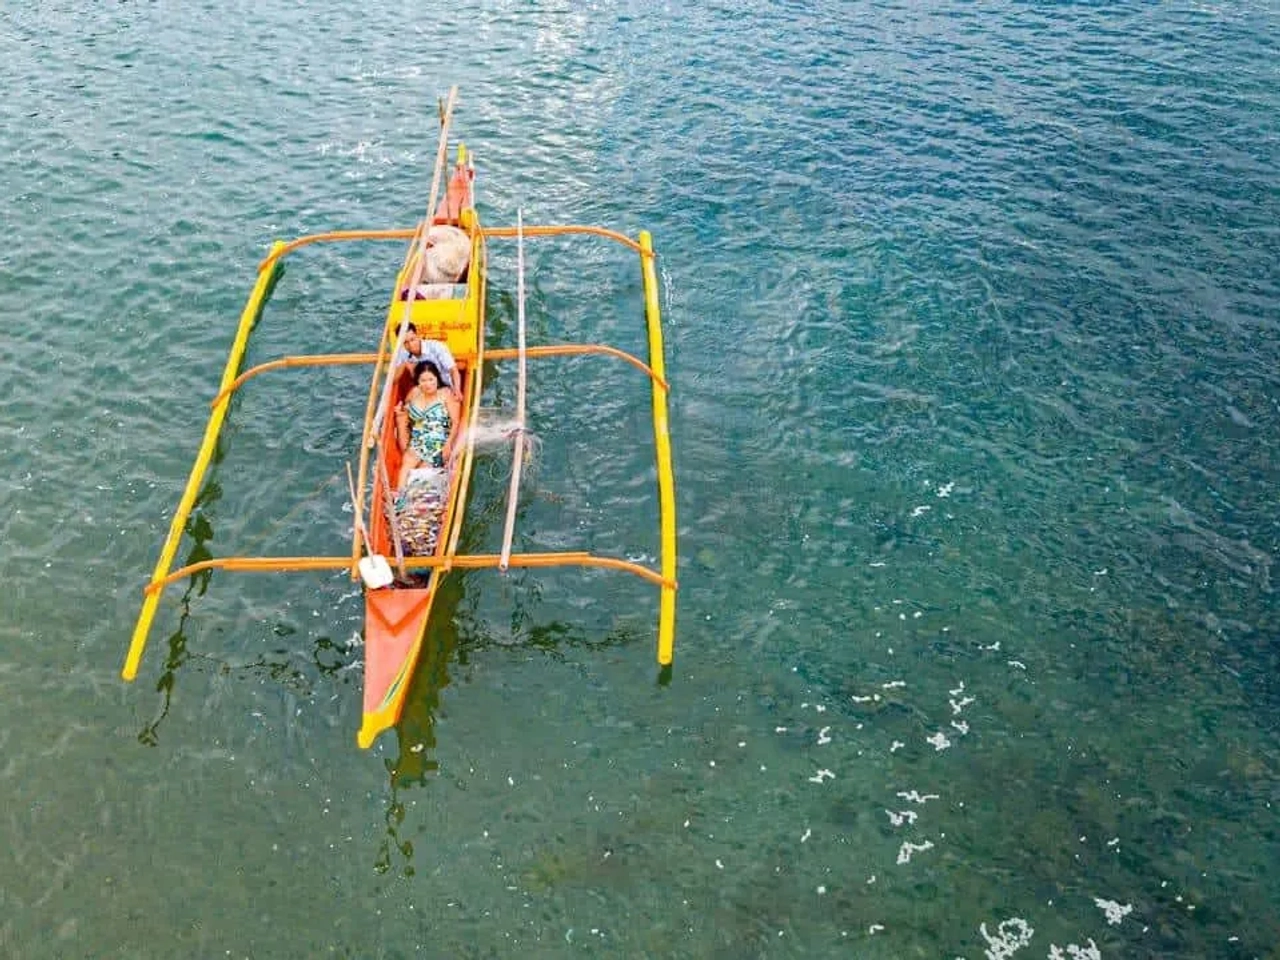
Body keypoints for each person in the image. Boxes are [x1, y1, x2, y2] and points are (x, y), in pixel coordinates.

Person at [395, 360, 461, 488]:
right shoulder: (414, 393)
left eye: (431, 379)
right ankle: (399, 499)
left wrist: (448, 444)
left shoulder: (446, 394)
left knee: (423, 475)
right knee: (406, 466)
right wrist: (401, 412)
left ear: (437, 378)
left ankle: (419, 502)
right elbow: (405, 408)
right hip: (417, 441)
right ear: (418, 382)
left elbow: (456, 422)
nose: (428, 384)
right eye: (423, 380)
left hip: (437, 443)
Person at [393, 323, 461, 401]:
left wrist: (457, 389)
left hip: (444, 386)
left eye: (412, 339)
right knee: (408, 401)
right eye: (405, 342)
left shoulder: (437, 347)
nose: (411, 345)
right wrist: (404, 364)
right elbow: (394, 379)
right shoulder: (402, 353)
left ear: (418, 335)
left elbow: (453, 370)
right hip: (422, 390)